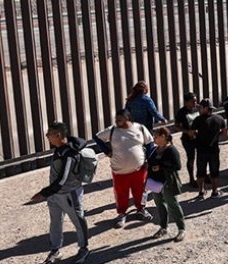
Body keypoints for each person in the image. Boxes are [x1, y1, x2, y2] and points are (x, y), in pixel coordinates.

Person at [30, 122, 91, 264]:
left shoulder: (70, 153)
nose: (47, 136)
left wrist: (43, 193)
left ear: (58, 135)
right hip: (55, 195)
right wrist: (49, 193)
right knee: (55, 222)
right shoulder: (59, 148)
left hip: (70, 194)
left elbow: (62, 179)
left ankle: (84, 249)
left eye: (49, 133)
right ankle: (55, 250)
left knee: (78, 220)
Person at [93, 109, 155, 227]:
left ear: (127, 118)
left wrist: (148, 159)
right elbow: (97, 137)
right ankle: (121, 214)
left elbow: (150, 142)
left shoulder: (140, 128)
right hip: (119, 170)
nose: (116, 122)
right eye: (116, 120)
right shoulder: (112, 130)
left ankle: (141, 209)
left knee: (140, 190)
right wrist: (106, 151)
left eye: (119, 120)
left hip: (139, 168)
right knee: (121, 192)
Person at [148, 128, 186, 242]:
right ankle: (163, 227)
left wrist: (161, 167)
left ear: (163, 136)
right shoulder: (155, 150)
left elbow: (177, 166)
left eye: (156, 136)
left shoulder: (171, 150)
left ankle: (181, 229)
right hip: (156, 183)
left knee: (173, 204)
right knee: (160, 205)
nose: (154, 138)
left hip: (168, 182)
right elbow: (150, 162)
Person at [186, 99, 227, 198]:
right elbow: (225, 133)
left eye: (200, 107)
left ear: (205, 108)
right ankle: (215, 192)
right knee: (214, 172)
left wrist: (197, 135)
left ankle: (201, 192)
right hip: (214, 150)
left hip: (201, 150)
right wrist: (216, 136)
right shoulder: (219, 119)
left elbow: (191, 133)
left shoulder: (198, 120)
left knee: (200, 172)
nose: (199, 109)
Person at [173, 93, 198, 186]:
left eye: (195, 101)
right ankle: (192, 178)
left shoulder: (198, 108)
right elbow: (176, 126)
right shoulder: (181, 112)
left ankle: (202, 175)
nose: (195, 103)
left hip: (199, 137)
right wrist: (187, 131)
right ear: (186, 102)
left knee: (201, 157)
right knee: (191, 158)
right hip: (188, 139)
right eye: (192, 102)